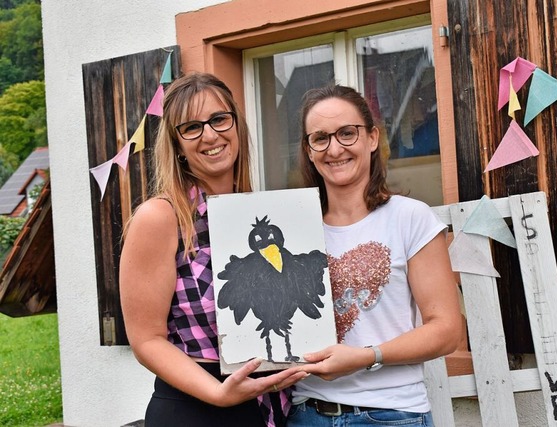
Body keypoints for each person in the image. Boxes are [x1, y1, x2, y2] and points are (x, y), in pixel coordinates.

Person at [119, 72, 307, 427]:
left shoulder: (260, 217)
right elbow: (146, 340)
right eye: (192, 127)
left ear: (236, 125)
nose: (210, 135)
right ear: (176, 144)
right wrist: (218, 394)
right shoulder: (161, 217)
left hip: (272, 406)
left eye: (219, 119)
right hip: (197, 408)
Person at [287, 85, 462, 426]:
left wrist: (366, 357)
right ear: (309, 151)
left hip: (391, 414)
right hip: (307, 413)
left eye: (346, 133)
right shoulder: (293, 230)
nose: (334, 148)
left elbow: (446, 330)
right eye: (320, 138)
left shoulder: (410, 217)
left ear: (371, 138)